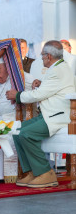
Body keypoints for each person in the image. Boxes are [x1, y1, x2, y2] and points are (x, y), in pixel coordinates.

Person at [6, 40, 75, 188]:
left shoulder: (57, 71)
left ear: (49, 56)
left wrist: (17, 95)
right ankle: (32, 172)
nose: (41, 57)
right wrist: (42, 83)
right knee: (17, 130)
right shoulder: (60, 68)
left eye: (42, 54)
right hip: (50, 114)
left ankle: (45, 173)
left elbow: (39, 95)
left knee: (25, 133)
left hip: (57, 117)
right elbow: (54, 88)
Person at [0, 57, 34, 182]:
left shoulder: (24, 78)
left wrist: (19, 95)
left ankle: (4, 175)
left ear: (7, 68)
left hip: (17, 121)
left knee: (3, 135)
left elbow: (35, 97)